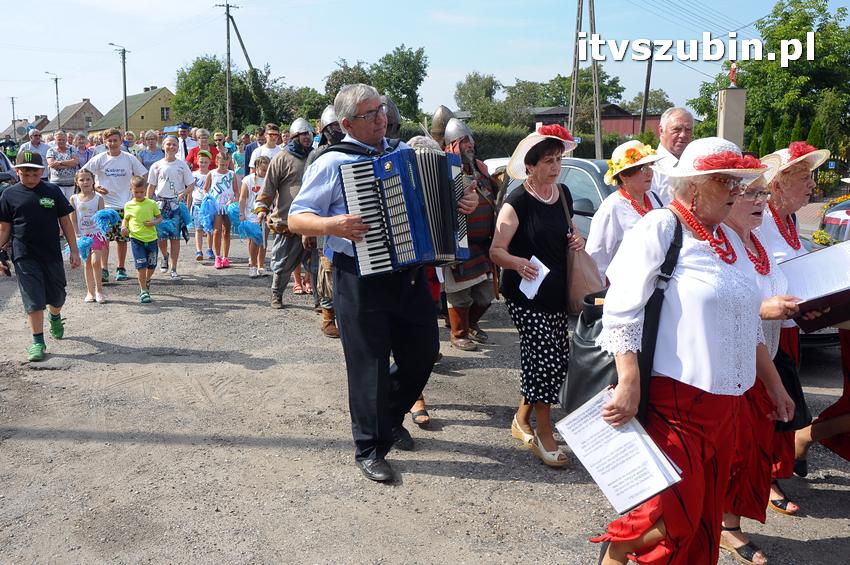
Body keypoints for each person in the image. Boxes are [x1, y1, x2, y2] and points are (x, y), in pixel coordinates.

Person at [591, 138, 791, 565]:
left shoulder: (729, 241)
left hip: (727, 406)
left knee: (702, 516)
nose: (738, 192)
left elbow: (748, 320)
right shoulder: (662, 227)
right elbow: (622, 310)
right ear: (695, 185)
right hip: (677, 403)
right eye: (728, 183)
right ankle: (616, 551)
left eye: (741, 184)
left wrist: (773, 385)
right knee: (671, 512)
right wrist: (628, 382)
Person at [288, 84, 477, 481]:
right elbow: (296, 218)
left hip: (408, 274)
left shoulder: (403, 154)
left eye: (382, 111)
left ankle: (389, 418)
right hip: (358, 277)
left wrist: (465, 202)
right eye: (370, 114)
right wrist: (330, 224)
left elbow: (445, 195)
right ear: (346, 124)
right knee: (368, 366)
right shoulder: (331, 162)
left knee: (423, 353)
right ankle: (369, 447)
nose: (381, 119)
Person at [721, 159, 801, 565]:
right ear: (725, 197)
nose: (759, 201)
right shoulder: (717, 245)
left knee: (751, 451)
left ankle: (727, 523)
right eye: (749, 193)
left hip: (762, 359)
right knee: (734, 453)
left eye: (762, 193)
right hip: (730, 370)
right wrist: (762, 310)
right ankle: (725, 528)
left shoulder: (756, 241)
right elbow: (717, 310)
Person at [489, 124, 582, 468]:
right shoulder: (517, 202)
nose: (555, 167)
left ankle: (520, 419)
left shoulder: (564, 195)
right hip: (525, 297)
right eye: (547, 161)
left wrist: (576, 241)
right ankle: (545, 432)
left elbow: (568, 234)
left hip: (557, 293)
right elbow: (495, 251)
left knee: (555, 358)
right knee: (545, 359)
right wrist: (516, 262)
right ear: (530, 166)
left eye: (558, 159)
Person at [758, 141, 831, 515]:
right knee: (772, 401)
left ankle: (776, 469)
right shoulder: (763, 219)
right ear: (779, 183)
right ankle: (764, 479)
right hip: (768, 327)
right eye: (803, 176)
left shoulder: (788, 219)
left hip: (790, 325)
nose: (811, 186)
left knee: (785, 397)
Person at [0, 150, 80, 362]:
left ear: (42, 172)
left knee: (57, 296)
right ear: (17, 172)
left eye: (35, 174)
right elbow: (4, 228)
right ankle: (37, 341)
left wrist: (74, 250)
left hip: (51, 253)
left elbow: (66, 222)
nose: (31, 179)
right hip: (23, 254)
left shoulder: (52, 191)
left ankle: (55, 316)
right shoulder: (9, 195)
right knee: (33, 299)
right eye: (26, 174)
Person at [442, 118, 499, 352]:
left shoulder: (480, 168)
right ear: (452, 145)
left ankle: (471, 324)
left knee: (486, 295)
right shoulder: (445, 168)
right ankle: (459, 333)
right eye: (464, 141)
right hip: (458, 242)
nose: (470, 145)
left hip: (482, 245)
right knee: (460, 295)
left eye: (471, 140)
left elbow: (495, 196)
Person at [255, 118, 314, 307]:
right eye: (303, 134)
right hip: (287, 220)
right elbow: (269, 185)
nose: (307, 137)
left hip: (314, 220)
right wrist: (262, 207)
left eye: (309, 134)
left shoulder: (316, 157)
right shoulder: (281, 158)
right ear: (294, 136)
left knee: (317, 266)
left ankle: (321, 303)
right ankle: (276, 294)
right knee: (282, 263)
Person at [586, 141, 664, 280]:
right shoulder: (611, 208)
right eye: (643, 169)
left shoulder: (654, 198)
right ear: (624, 176)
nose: (649, 173)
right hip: (625, 292)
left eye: (650, 166)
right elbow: (596, 260)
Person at [83, 128, 148, 283]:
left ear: (121, 142)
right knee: (104, 239)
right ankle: (104, 269)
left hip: (124, 205)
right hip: (103, 206)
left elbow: (143, 175)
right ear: (105, 142)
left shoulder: (129, 158)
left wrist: (136, 191)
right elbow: (83, 173)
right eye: (109, 141)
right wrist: (95, 187)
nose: (112, 143)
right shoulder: (99, 158)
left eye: (115, 140)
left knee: (122, 239)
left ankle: (121, 268)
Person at [305, 105, 344, 338]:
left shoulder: (353, 150)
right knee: (327, 268)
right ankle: (328, 316)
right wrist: (306, 229)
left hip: (347, 219)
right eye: (334, 127)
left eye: (340, 125)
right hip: (324, 220)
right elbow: (307, 195)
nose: (338, 130)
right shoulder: (318, 155)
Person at [147, 136, 194, 280]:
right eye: (168, 144)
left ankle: (174, 268)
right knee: (161, 237)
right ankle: (165, 256)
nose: (171, 147)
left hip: (175, 206)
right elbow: (151, 186)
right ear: (163, 146)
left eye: (174, 144)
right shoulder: (156, 165)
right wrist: (148, 205)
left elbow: (191, 185)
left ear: (178, 147)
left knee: (175, 238)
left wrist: (183, 194)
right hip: (160, 205)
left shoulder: (182, 165)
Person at [121, 176, 162, 303]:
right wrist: (123, 227)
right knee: (141, 266)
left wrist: (153, 222)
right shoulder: (128, 205)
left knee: (152, 265)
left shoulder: (152, 203)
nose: (139, 194)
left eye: (141, 192)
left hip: (151, 239)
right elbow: (126, 219)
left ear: (145, 190)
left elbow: (160, 218)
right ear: (131, 190)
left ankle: (147, 280)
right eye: (136, 192)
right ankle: (143, 290)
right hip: (136, 239)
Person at [69, 169, 106, 304]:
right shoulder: (74, 198)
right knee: (87, 264)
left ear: (93, 181)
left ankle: (99, 290)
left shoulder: (98, 198)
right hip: (83, 236)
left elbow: (102, 218)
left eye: (88, 179)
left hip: (96, 234)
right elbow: (72, 218)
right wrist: (76, 234)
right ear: (77, 182)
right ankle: (90, 292)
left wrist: (102, 232)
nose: (85, 182)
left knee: (96, 262)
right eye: (82, 179)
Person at [651, 107, 694, 204]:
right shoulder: (649, 168)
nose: (683, 135)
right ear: (661, 130)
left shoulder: (696, 165)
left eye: (688, 130)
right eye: (676, 129)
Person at [203, 152, 237, 269]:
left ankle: (225, 257)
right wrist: (208, 199)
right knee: (217, 231)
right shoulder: (211, 174)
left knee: (226, 231)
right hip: (216, 205)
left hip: (228, 206)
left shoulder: (232, 174)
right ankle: (217, 257)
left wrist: (232, 200)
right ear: (216, 162)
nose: (224, 167)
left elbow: (236, 192)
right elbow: (205, 189)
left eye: (226, 165)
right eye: (222, 164)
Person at [239, 155, 270, 278]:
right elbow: (243, 197)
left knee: (263, 240)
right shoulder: (248, 180)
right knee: (255, 240)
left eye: (268, 170)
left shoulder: (270, 179)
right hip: (251, 213)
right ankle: (252, 265)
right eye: (263, 170)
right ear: (256, 167)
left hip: (267, 212)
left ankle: (261, 265)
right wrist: (241, 214)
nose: (265, 172)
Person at [187, 151, 214, 262]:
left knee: (209, 228)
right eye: (201, 162)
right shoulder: (193, 175)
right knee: (198, 228)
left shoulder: (212, 174)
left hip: (208, 204)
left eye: (205, 162)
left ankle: (210, 248)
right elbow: (190, 192)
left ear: (209, 162)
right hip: (197, 203)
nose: (203, 164)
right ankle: (199, 250)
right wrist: (188, 207)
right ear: (197, 162)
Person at [46, 130, 79, 200]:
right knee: (59, 204)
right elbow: (52, 164)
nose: (61, 141)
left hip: (71, 183)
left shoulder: (72, 149)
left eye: (63, 139)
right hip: (56, 184)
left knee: (70, 204)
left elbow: (75, 162)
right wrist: (69, 163)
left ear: (66, 139)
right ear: (55, 140)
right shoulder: (51, 151)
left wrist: (59, 163)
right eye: (59, 140)